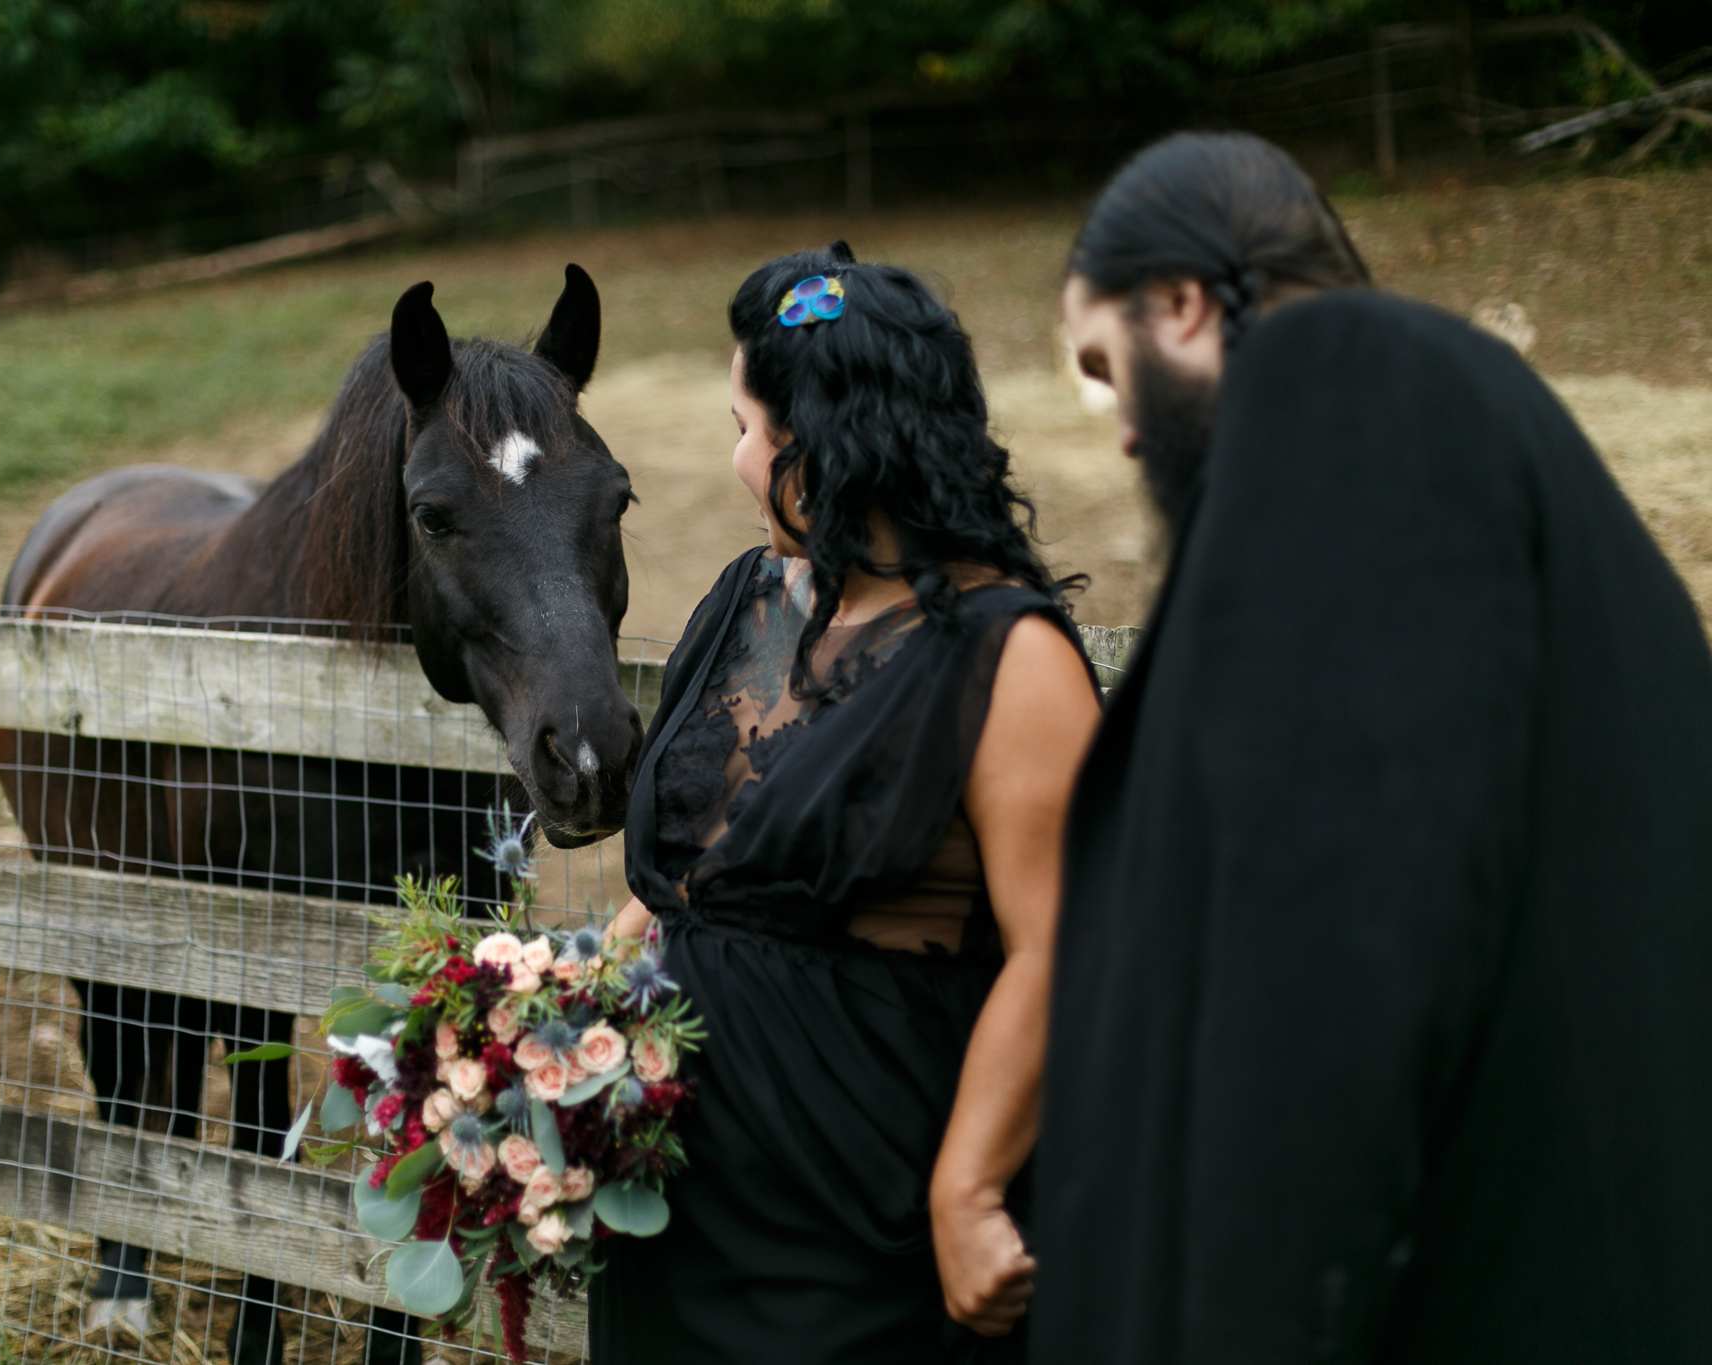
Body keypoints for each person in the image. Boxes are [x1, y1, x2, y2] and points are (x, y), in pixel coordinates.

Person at [1039, 130, 1712, 1363]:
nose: (1120, 429)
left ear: (1181, 302)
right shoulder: (1484, 435)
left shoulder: (1347, 384)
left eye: (1103, 365)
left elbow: (1328, 978)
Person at [589, 246, 1101, 1363]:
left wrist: (965, 1190)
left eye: (748, 427)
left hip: (860, 1211)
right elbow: (686, 880)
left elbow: (1059, 950)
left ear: (826, 448)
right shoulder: (745, 599)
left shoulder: (1009, 660)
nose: (734, 462)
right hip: (677, 1193)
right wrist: (541, 1019)